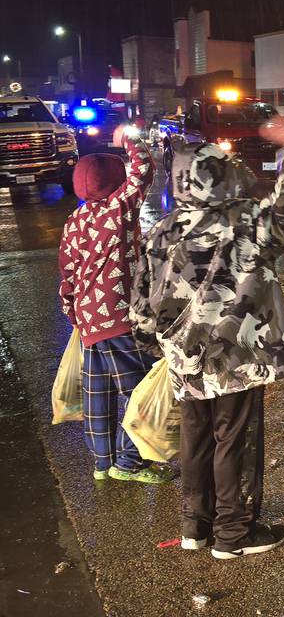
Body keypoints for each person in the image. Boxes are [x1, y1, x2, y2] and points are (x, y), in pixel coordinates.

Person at [130, 117, 284, 560]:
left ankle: (197, 525)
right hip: (238, 357)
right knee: (235, 438)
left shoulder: (164, 231)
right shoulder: (246, 222)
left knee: (196, 436)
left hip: (185, 358)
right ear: (222, 177)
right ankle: (234, 533)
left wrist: (153, 345)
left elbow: (141, 300)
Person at [58, 124, 172, 484]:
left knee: (98, 393)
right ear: (115, 182)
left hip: (89, 321)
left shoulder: (74, 221)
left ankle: (102, 462)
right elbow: (144, 172)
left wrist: (73, 313)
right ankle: (128, 461)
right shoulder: (118, 210)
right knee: (140, 390)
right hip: (121, 318)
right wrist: (132, 140)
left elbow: (68, 272)